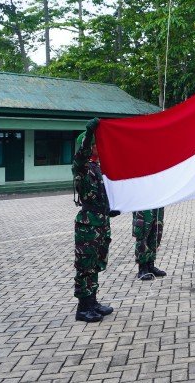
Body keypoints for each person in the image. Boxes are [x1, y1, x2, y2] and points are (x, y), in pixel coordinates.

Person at [72, 118, 120, 323]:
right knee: (85, 265)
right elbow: (81, 155)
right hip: (88, 223)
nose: (99, 147)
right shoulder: (82, 167)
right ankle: (83, 308)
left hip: (101, 222)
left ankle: (92, 302)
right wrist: (90, 132)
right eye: (96, 144)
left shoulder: (98, 168)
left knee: (97, 263)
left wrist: (110, 209)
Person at [133, 208, 166, 280]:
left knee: (156, 233)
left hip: (157, 204)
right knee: (142, 234)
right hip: (143, 205)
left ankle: (150, 266)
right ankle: (142, 267)